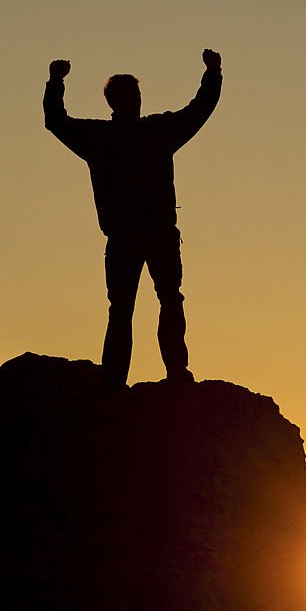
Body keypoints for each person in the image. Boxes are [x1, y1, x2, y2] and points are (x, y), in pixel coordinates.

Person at [43, 49, 222, 388]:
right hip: (140, 235)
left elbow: (198, 110)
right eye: (132, 96)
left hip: (142, 235)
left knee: (148, 303)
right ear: (117, 102)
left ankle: (138, 378)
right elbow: (199, 110)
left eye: (137, 95)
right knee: (145, 304)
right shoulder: (145, 133)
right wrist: (213, 73)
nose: (136, 101)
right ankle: (157, 376)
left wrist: (56, 83)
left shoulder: (111, 137)